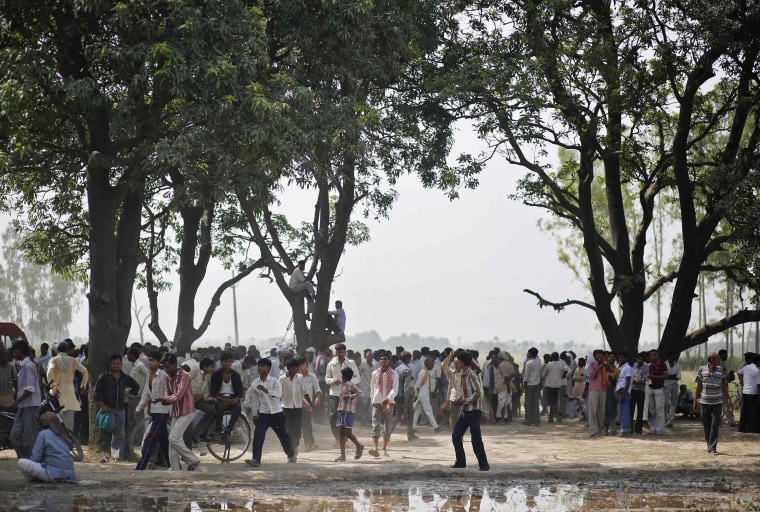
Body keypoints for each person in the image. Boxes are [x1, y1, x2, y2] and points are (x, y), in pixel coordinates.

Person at [244, 358, 297, 467]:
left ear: (268, 368)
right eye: (259, 366)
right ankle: (256, 459)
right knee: (258, 435)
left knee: (283, 436)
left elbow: (278, 394)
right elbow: (254, 400)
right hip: (263, 414)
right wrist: (254, 415)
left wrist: (266, 390)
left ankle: (291, 455)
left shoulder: (274, 381)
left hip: (276, 413)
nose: (260, 368)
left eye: (263, 366)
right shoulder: (255, 383)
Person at [93, 353, 139, 461]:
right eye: (113, 363)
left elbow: (136, 387)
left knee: (120, 433)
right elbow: (96, 392)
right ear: (110, 364)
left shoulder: (124, 377)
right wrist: (102, 405)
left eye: (118, 364)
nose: (116, 366)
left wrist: (127, 395)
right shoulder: (104, 377)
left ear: (121, 365)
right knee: (110, 426)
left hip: (121, 408)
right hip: (108, 409)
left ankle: (117, 456)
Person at [159, 353, 200, 471]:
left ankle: (193, 460)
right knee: (172, 443)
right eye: (164, 367)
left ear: (174, 365)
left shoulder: (184, 376)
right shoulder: (168, 377)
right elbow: (168, 393)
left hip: (187, 411)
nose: (165, 370)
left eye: (167, 367)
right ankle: (175, 469)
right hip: (176, 411)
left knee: (173, 438)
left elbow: (178, 396)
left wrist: (164, 400)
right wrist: (166, 402)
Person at [450, 351, 489, 471]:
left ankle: (484, 465)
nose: (457, 363)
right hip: (465, 411)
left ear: (462, 362)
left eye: (458, 361)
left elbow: (478, 392)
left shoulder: (471, 374)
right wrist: (459, 400)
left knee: (476, 438)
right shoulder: (462, 374)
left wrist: (464, 401)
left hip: (474, 411)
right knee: (456, 435)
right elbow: (466, 392)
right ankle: (461, 462)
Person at [134, 351, 170, 470]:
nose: (149, 363)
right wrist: (139, 408)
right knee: (164, 441)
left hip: (163, 412)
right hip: (155, 411)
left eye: (153, 360)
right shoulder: (149, 375)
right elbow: (145, 394)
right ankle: (173, 464)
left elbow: (170, 394)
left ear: (159, 362)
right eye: (149, 360)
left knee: (151, 437)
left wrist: (171, 412)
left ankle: (142, 465)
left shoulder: (164, 375)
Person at [17, 412, 78, 483]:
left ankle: (34, 480)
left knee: (21, 462)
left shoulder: (43, 434)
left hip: (52, 473)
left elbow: (36, 458)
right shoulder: (63, 435)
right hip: (69, 475)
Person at [47, 341, 90, 432]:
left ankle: (58, 441)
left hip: (56, 394)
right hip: (70, 394)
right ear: (67, 349)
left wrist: (53, 387)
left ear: (57, 350)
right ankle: (69, 441)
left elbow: (49, 373)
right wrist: (83, 385)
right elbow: (85, 371)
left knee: (57, 420)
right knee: (69, 422)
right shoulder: (72, 360)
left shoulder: (53, 360)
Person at [694, 352, 732, 455]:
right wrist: (695, 401)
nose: (719, 361)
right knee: (706, 424)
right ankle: (709, 444)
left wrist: (729, 399)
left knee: (715, 425)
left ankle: (713, 448)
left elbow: (723, 385)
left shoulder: (720, 371)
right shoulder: (702, 370)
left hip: (717, 402)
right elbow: (698, 386)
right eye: (718, 359)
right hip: (705, 402)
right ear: (711, 360)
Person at [10, 340, 42, 459]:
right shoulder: (22, 366)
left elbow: (30, 389)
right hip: (23, 406)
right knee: (15, 436)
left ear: (21, 351)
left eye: (15, 351)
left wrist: (16, 402)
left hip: (30, 406)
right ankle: (24, 460)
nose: (13, 354)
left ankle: (32, 462)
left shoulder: (28, 366)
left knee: (29, 439)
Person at [325, 343, 360, 443]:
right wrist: (333, 381)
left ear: (345, 352)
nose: (340, 354)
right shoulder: (331, 363)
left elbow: (357, 378)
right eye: (338, 352)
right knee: (333, 417)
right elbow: (327, 378)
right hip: (335, 393)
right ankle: (337, 438)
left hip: (347, 395)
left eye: (342, 352)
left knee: (345, 417)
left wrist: (348, 382)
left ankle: (343, 439)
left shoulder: (351, 363)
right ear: (336, 353)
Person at [368, 352, 398, 457]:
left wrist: (388, 398)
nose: (383, 360)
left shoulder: (394, 374)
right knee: (375, 424)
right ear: (379, 361)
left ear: (389, 360)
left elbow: (395, 389)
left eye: (385, 359)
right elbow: (372, 388)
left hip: (389, 403)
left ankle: (384, 447)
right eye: (381, 359)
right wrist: (372, 400)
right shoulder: (375, 373)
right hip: (376, 401)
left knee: (388, 426)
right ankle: (375, 449)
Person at [208, 352, 244, 438]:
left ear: (231, 362)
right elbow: (213, 392)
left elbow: (240, 393)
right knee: (219, 408)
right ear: (221, 362)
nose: (227, 363)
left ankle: (229, 429)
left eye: (229, 361)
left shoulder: (236, 375)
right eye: (225, 361)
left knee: (238, 408)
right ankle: (218, 430)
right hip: (220, 398)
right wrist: (223, 399)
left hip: (232, 398)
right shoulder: (216, 375)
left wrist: (235, 400)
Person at [335, 367, 363, 462]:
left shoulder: (350, 385)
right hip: (342, 411)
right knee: (341, 433)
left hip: (349, 411)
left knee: (348, 433)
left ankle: (359, 446)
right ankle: (343, 456)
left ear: (343, 376)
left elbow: (360, 393)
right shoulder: (343, 385)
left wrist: (350, 396)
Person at [412, 358, 445, 433]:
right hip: (423, 395)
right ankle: (436, 427)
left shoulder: (425, 371)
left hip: (423, 395)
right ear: (427, 364)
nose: (433, 366)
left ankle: (412, 427)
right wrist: (415, 393)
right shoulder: (423, 372)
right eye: (432, 364)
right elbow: (418, 383)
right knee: (429, 411)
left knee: (417, 412)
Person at [280, 358, 306, 453]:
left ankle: (295, 444)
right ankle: (291, 450)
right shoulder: (281, 379)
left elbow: (304, 391)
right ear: (290, 368)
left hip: (297, 407)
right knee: (289, 431)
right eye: (296, 368)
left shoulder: (300, 378)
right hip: (285, 407)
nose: (298, 369)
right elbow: (279, 394)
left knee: (297, 432)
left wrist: (309, 403)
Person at [299, 357, 321, 452]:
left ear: (307, 366)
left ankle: (308, 443)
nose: (303, 367)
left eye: (304, 364)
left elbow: (317, 388)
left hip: (307, 404)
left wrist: (318, 397)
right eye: (301, 365)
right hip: (296, 404)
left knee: (306, 423)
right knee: (295, 425)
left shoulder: (312, 376)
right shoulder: (295, 377)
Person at [737, 353, 760, 433]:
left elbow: (739, 372)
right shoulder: (757, 371)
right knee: (753, 412)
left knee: (744, 411)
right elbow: (758, 385)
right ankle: (751, 429)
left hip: (745, 392)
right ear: (758, 362)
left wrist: (742, 381)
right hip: (753, 393)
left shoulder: (746, 367)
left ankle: (742, 428)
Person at [647, 349, 668, 435]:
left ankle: (660, 429)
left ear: (657, 355)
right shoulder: (649, 365)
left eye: (655, 355)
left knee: (659, 409)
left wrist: (654, 377)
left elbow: (666, 376)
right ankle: (653, 428)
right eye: (652, 355)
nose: (653, 357)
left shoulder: (662, 364)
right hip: (650, 388)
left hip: (659, 388)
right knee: (652, 410)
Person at [522, 347, 542, 427]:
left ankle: (529, 420)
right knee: (536, 403)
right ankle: (537, 420)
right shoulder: (539, 361)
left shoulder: (529, 363)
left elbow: (526, 376)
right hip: (537, 383)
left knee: (528, 403)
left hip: (530, 384)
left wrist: (524, 386)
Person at [616, 352, 633, 435]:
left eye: (622, 358)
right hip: (619, 391)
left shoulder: (627, 368)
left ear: (626, 358)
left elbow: (628, 381)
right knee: (622, 411)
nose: (620, 359)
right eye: (619, 358)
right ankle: (625, 428)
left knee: (625, 411)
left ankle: (626, 429)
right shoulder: (621, 367)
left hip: (624, 391)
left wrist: (624, 394)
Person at [664, 352, 681, 427]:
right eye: (672, 356)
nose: (673, 358)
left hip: (675, 385)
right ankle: (664, 420)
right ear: (668, 357)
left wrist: (669, 376)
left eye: (674, 356)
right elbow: (664, 376)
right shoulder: (665, 364)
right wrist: (672, 376)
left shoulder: (677, 365)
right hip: (666, 385)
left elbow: (679, 376)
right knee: (665, 402)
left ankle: (671, 421)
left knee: (674, 403)